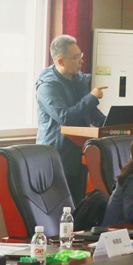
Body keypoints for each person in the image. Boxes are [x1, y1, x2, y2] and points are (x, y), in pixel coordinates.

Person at [36, 35, 107, 204]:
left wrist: (112, 124)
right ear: (61, 61)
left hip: (78, 154)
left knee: (77, 206)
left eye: (81, 55)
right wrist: (91, 98)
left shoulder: (78, 80)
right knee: (59, 207)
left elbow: (90, 112)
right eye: (76, 57)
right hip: (56, 157)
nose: (81, 61)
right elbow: (66, 118)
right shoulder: (47, 86)